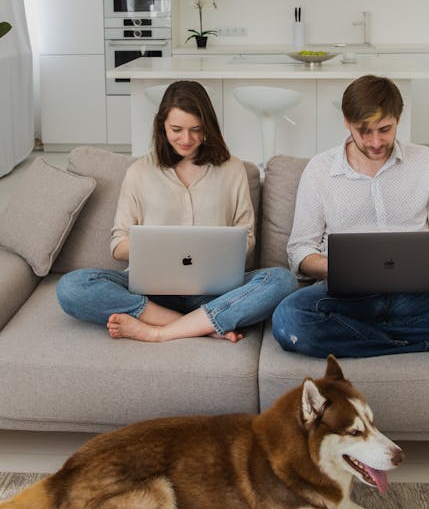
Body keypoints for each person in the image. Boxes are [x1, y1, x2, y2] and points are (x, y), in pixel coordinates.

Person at [271, 75, 429, 358]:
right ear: (346, 121)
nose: (375, 141)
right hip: (349, 299)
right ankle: (427, 340)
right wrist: (339, 269)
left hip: (420, 296)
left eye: (385, 129)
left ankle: (367, 337)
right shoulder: (319, 170)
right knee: (289, 319)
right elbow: (299, 251)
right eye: (364, 131)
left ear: (398, 119)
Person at [57, 80, 298, 343]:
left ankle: (158, 330)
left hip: (214, 291)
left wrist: (213, 250)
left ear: (208, 126)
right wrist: (159, 247)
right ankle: (200, 324)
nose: (186, 139)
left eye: (196, 130)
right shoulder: (140, 172)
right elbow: (117, 245)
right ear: (162, 125)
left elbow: (247, 239)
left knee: (282, 280)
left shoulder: (232, 169)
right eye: (176, 129)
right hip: (152, 292)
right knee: (72, 287)